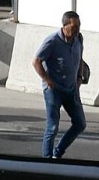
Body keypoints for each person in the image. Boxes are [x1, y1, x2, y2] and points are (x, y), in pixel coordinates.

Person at [34, 12, 88, 159]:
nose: (77, 30)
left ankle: (58, 152)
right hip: (54, 90)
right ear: (65, 26)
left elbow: (80, 59)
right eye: (74, 27)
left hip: (71, 89)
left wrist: (79, 77)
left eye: (79, 26)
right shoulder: (52, 41)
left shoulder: (79, 39)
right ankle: (47, 159)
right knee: (52, 126)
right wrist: (47, 79)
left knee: (80, 123)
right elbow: (36, 61)